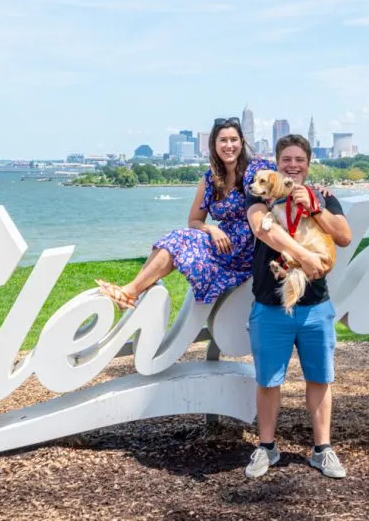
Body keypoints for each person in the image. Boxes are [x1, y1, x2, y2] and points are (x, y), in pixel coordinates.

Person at [243, 134, 352, 480]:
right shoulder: (260, 193)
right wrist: (304, 257)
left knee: (320, 378)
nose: (293, 165)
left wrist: (316, 208)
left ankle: (323, 450)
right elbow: (264, 231)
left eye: (299, 160)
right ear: (277, 164)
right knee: (268, 380)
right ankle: (266, 447)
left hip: (316, 306)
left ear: (308, 163)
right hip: (269, 305)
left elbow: (344, 237)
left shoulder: (322, 197)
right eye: (286, 159)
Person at [95, 117, 275, 309]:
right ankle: (131, 291)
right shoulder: (211, 180)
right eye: (223, 140)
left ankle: (129, 293)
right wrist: (212, 230)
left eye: (234, 139)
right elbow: (194, 221)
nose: (229, 145)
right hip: (223, 245)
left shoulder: (257, 169)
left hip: (249, 250)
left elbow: (279, 194)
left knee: (178, 239)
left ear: (242, 142)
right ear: (214, 144)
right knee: (176, 239)